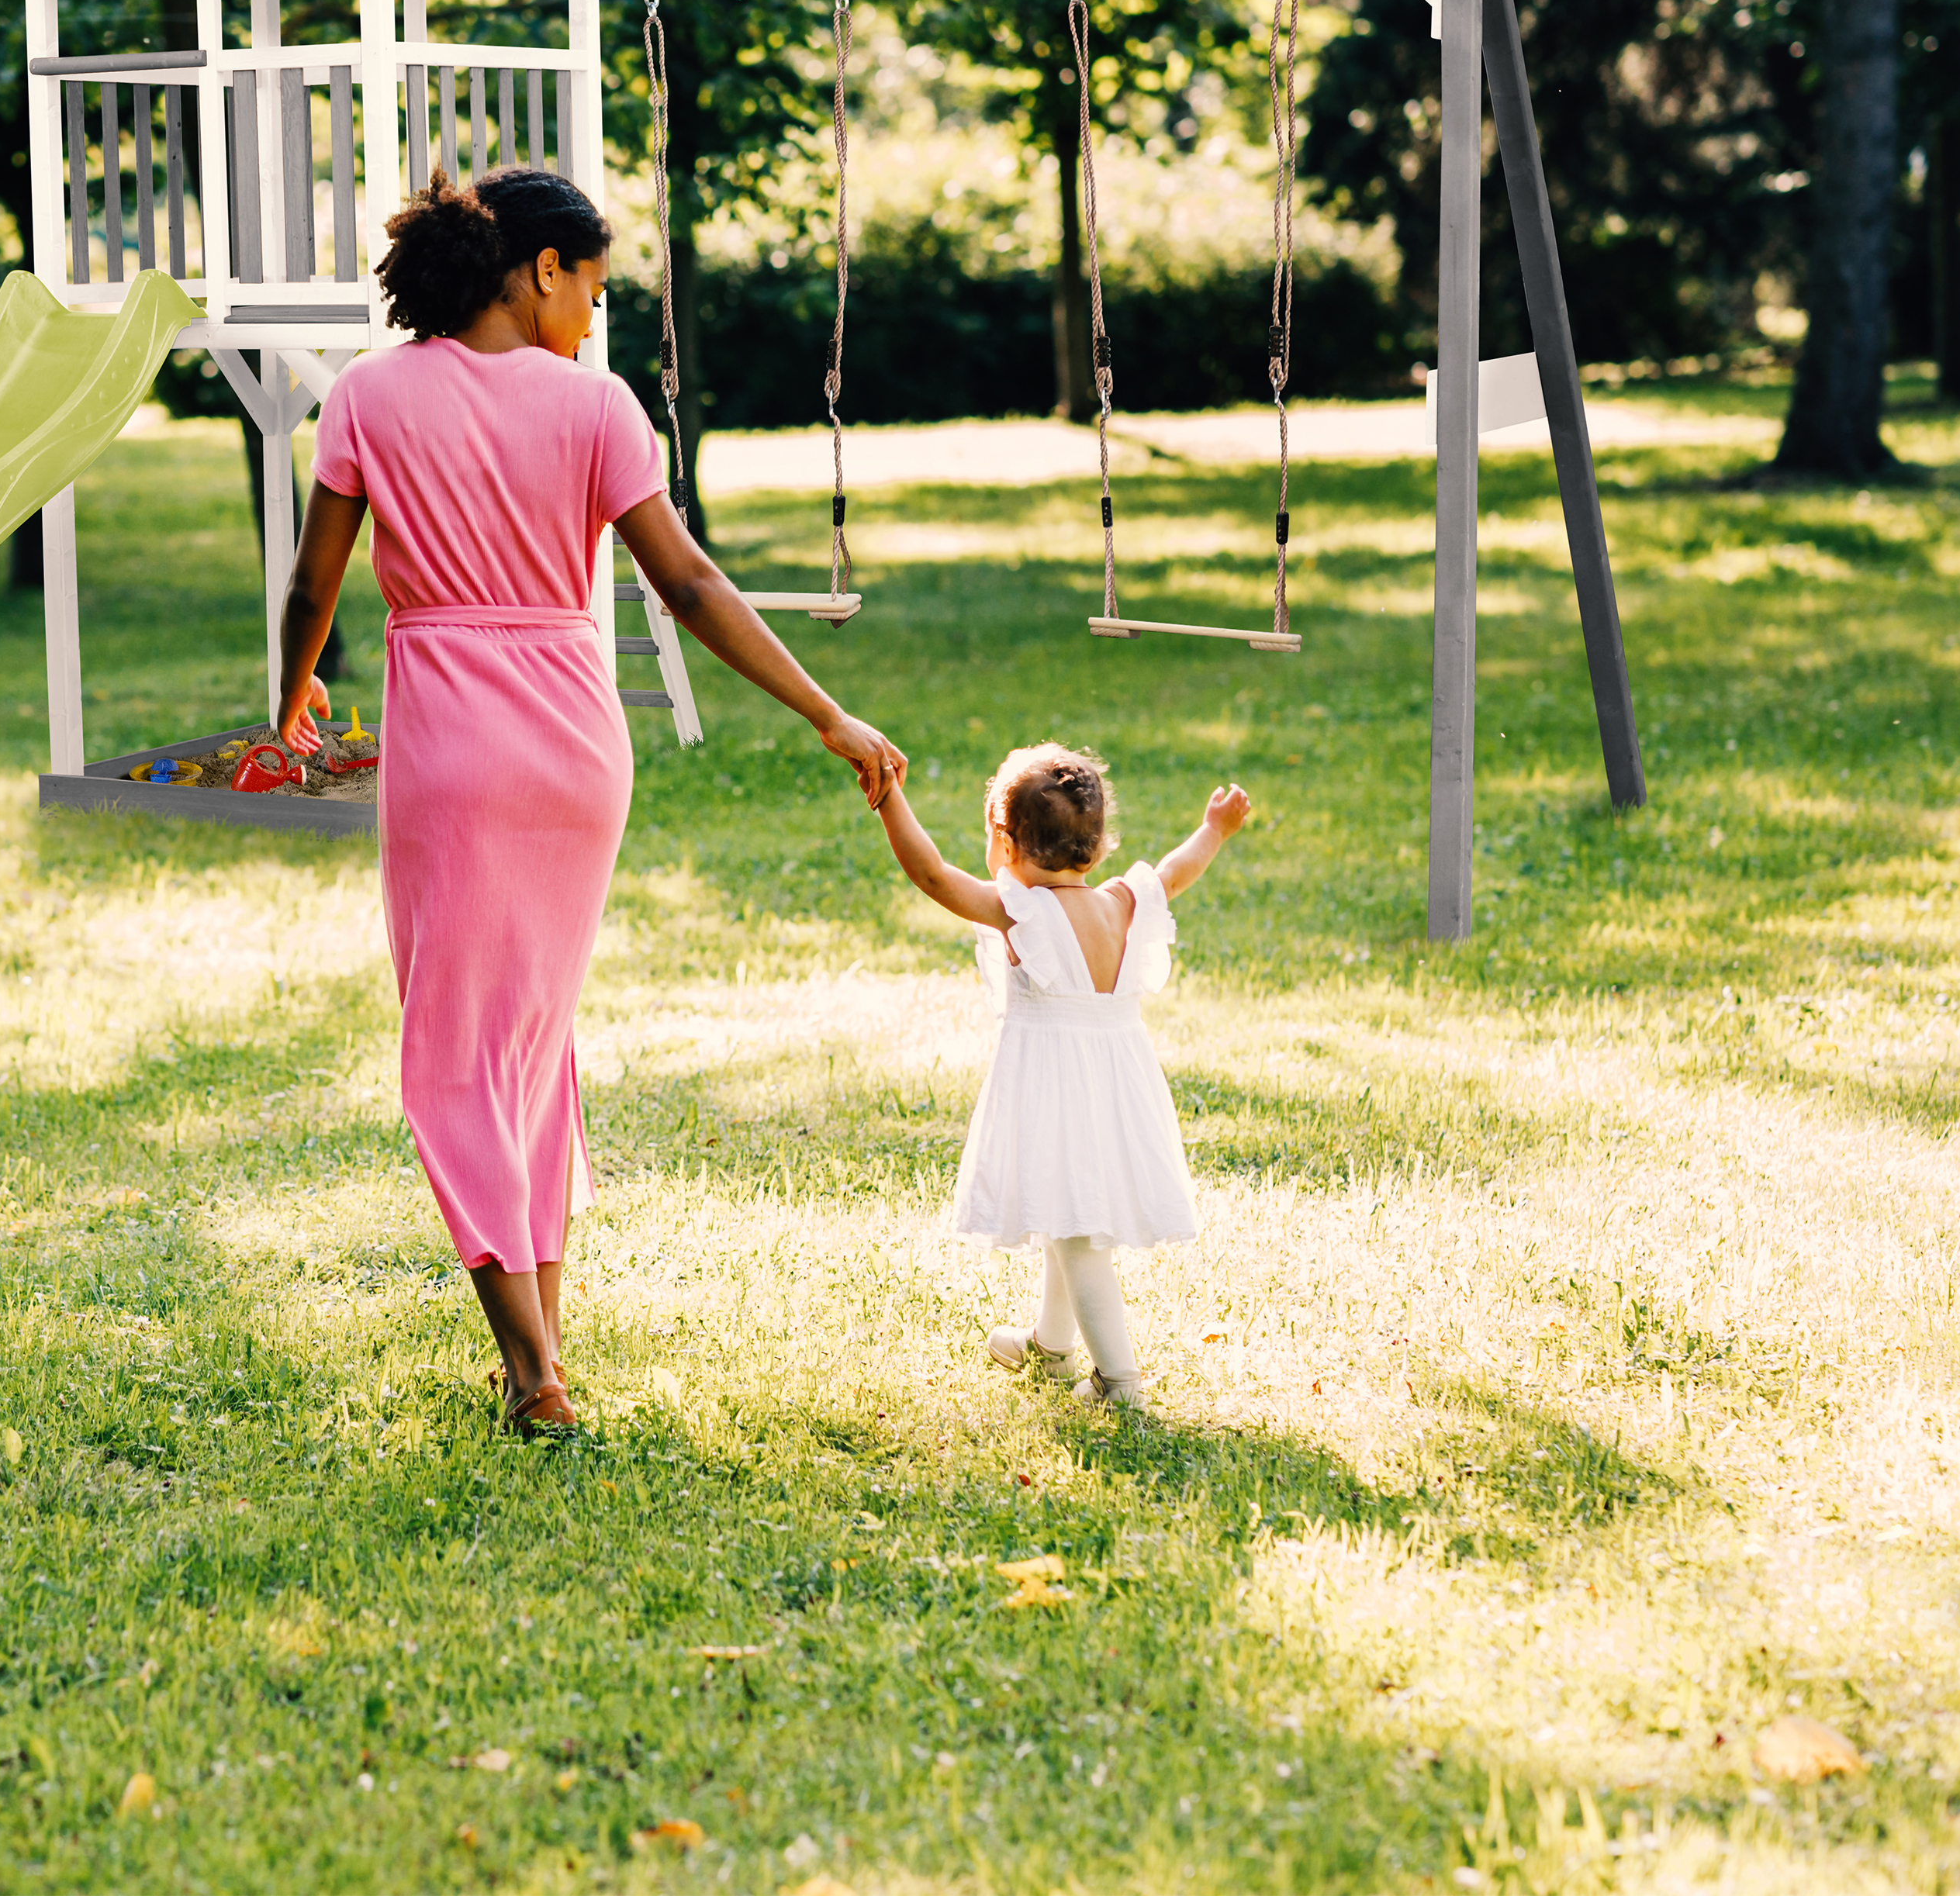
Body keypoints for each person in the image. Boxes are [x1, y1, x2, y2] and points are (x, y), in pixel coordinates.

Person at [273, 166, 906, 1438]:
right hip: (574, 745)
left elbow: (313, 584)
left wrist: (288, 699)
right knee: (529, 1045)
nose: (595, 315)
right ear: (538, 268)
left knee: (455, 1054)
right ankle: (544, 1346)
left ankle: (531, 1372)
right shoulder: (598, 407)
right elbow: (690, 585)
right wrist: (825, 711)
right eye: (593, 287)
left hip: (452, 744)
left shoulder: (369, 395)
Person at [869, 744, 1252, 1409]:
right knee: (1063, 1210)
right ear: (1098, 847)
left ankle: (1118, 1382)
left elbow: (931, 875)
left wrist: (888, 797)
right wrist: (1214, 829)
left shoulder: (1022, 913)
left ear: (1006, 843)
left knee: (1076, 1235)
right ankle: (1050, 1347)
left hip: (1055, 1089)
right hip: (1116, 1086)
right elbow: (1175, 870)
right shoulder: (1123, 903)